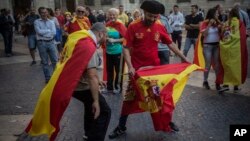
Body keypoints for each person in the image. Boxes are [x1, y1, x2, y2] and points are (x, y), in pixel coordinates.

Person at [108, 1, 188, 139]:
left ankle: (167, 122)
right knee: (129, 99)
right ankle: (121, 127)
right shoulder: (133, 26)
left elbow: (170, 43)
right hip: (137, 73)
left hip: (153, 74)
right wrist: (131, 67)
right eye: (150, 15)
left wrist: (183, 57)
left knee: (158, 97)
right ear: (143, 12)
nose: (152, 19)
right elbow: (126, 48)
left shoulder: (159, 25)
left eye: (155, 16)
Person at [72, 22, 111, 141]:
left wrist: (98, 80)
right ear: (101, 33)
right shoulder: (89, 46)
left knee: (89, 107)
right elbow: (91, 75)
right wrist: (96, 101)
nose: (106, 39)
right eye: (106, 36)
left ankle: (88, 133)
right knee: (104, 111)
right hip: (81, 86)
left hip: (74, 84)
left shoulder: (82, 38)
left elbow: (85, 67)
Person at [217, 8, 248, 93]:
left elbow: (222, 34)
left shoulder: (227, 23)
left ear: (230, 14)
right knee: (236, 67)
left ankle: (226, 84)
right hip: (236, 50)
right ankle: (235, 87)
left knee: (227, 66)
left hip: (226, 48)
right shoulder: (240, 23)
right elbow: (242, 36)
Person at [104, 8, 127, 94]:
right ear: (108, 15)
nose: (112, 16)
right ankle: (109, 88)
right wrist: (105, 38)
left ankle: (118, 87)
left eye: (114, 15)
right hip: (108, 51)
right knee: (109, 70)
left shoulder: (120, 25)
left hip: (118, 52)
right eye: (110, 14)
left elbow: (126, 38)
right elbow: (104, 35)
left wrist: (114, 40)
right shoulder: (107, 24)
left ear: (117, 16)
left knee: (118, 71)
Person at [199, 8, 222, 91]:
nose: (218, 15)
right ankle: (205, 81)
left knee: (217, 65)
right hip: (207, 47)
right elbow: (204, 34)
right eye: (216, 13)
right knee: (208, 65)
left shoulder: (218, 22)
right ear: (212, 14)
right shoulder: (204, 23)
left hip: (216, 46)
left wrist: (220, 27)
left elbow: (222, 32)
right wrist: (209, 25)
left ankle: (218, 82)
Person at [34, 7, 58, 83]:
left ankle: (55, 77)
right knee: (45, 62)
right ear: (40, 13)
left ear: (47, 13)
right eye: (42, 12)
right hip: (41, 43)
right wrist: (48, 31)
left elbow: (54, 32)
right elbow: (39, 32)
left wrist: (44, 33)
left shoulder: (51, 22)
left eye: (45, 12)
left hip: (51, 42)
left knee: (55, 60)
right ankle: (47, 78)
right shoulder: (36, 22)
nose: (44, 14)